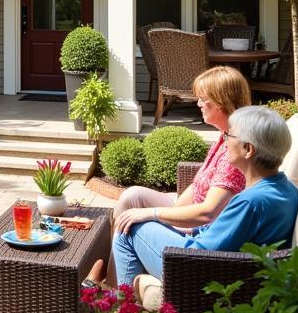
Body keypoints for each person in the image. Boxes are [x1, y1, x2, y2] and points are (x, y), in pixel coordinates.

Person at [57, 105, 298, 313]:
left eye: (230, 136)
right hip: (223, 268)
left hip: (199, 274)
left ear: (248, 149)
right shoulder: (283, 189)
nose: (225, 141)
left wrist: (155, 218)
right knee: (133, 221)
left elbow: (201, 255)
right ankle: (118, 305)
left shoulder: (252, 202)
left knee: (130, 226)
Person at [98, 66, 251, 286]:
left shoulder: (235, 152)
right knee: (132, 196)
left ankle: (117, 293)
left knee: (129, 224)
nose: (197, 103)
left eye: (203, 98)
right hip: (194, 219)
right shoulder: (225, 136)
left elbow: (208, 213)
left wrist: (155, 214)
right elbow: (199, 181)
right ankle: (112, 281)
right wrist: (174, 207)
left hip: (201, 235)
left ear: (221, 101)